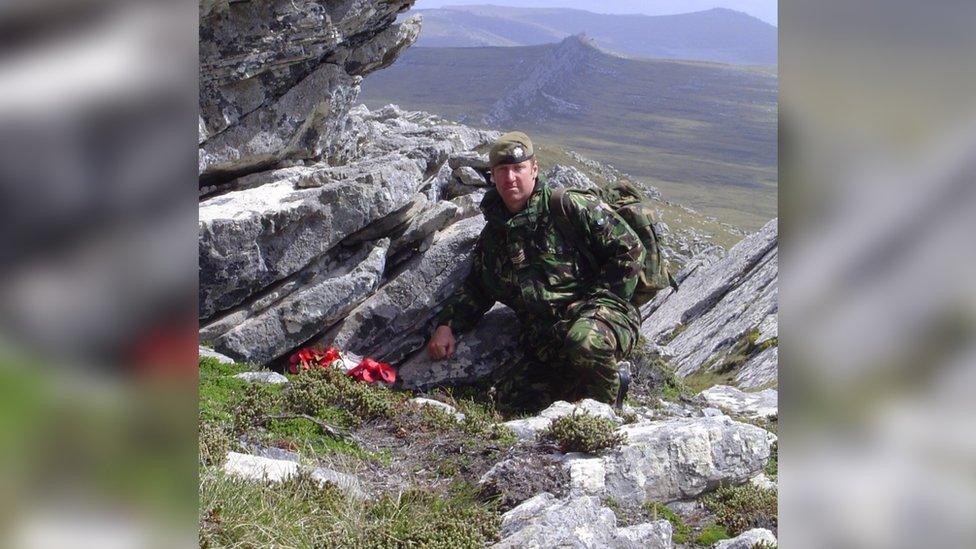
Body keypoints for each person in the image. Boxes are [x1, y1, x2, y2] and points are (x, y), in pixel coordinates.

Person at [426, 131, 645, 414]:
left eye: (518, 168)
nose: (511, 178)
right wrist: (447, 325)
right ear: (493, 176)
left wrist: (604, 301)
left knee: (584, 341)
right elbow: (478, 288)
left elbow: (630, 249)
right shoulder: (495, 236)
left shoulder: (568, 207)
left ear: (534, 169)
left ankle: (607, 414)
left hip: (601, 317)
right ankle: (594, 381)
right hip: (548, 339)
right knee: (509, 401)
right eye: (502, 170)